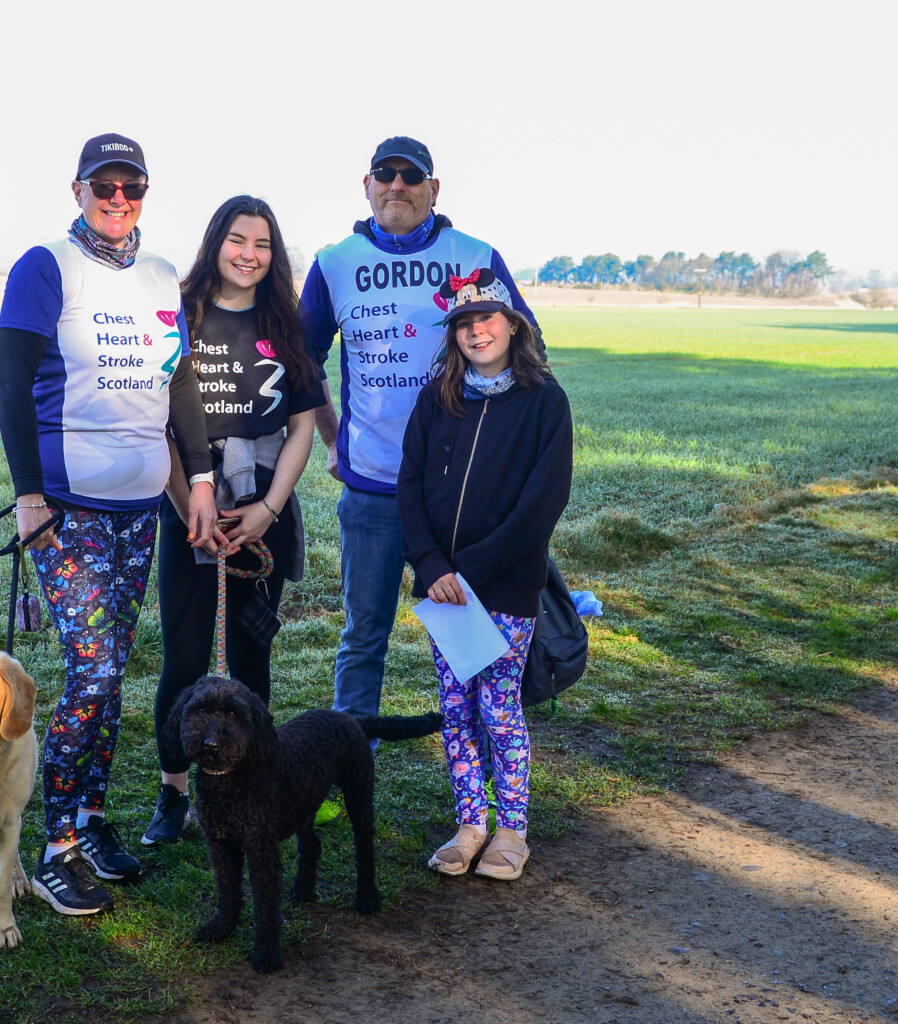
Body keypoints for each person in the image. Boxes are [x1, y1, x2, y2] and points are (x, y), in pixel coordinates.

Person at [0, 132, 218, 915]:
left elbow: (179, 385)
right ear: (79, 189)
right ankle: (51, 846)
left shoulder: (159, 276)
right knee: (91, 672)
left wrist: (198, 479)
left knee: (113, 672)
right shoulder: (46, 267)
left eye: (132, 187)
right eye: (104, 185)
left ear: (145, 194)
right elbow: (11, 384)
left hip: (138, 513)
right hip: (66, 511)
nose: (117, 199)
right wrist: (28, 497)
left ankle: (90, 822)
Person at [299, 136, 541, 730]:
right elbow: (302, 362)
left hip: (462, 496)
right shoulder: (335, 262)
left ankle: (482, 769)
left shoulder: (475, 255)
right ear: (367, 184)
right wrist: (333, 440)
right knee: (363, 637)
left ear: (435, 189)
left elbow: (529, 352)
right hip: (375, 489)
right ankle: (350, 763)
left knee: (474, 638)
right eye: (387, 174)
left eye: (413, 176)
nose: (398, 185)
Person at [143, 195, 326, 846]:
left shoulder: (287, 320)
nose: (249, 254)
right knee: (186, 658)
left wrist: (269, 508)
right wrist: (187, 503)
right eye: (238, 240)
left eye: (263, 244)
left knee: (252, 653)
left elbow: (303, 426)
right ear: (216, 241)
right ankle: (173, 793)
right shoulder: (180, 313)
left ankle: (252, 786)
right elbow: (158, 418)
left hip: (262, 510)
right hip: (186, 504)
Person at [396, 268, 572, 881]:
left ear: (513, 326)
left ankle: (512, 830)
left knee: (499, 707)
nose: (476, 332)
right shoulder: (437, 397)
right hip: (444, 588)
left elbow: (540, 505)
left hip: (503, 584)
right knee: (457, 705)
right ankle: (471, 823)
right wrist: (432, 565)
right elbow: (409, 485)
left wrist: (467, 572)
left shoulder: (544, 401)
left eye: (487, 320)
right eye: (464, 324)